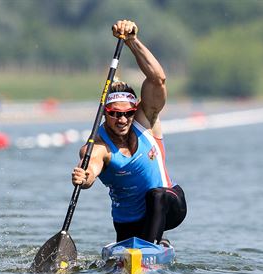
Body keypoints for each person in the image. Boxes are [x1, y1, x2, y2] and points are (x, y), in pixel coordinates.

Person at [72, 20, 186, 245]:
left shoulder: (146, 119)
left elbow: (158, 79)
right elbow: (92, 168)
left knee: (157, 195)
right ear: (105, 114)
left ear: (135, 110)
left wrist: (132, 42)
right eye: (115, 114)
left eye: (128, 113)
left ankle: (152, 246)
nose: (123, 120)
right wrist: (85, 178)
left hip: (169, 206)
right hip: (128, 220)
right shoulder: (97, 146)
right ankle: (149, 245)